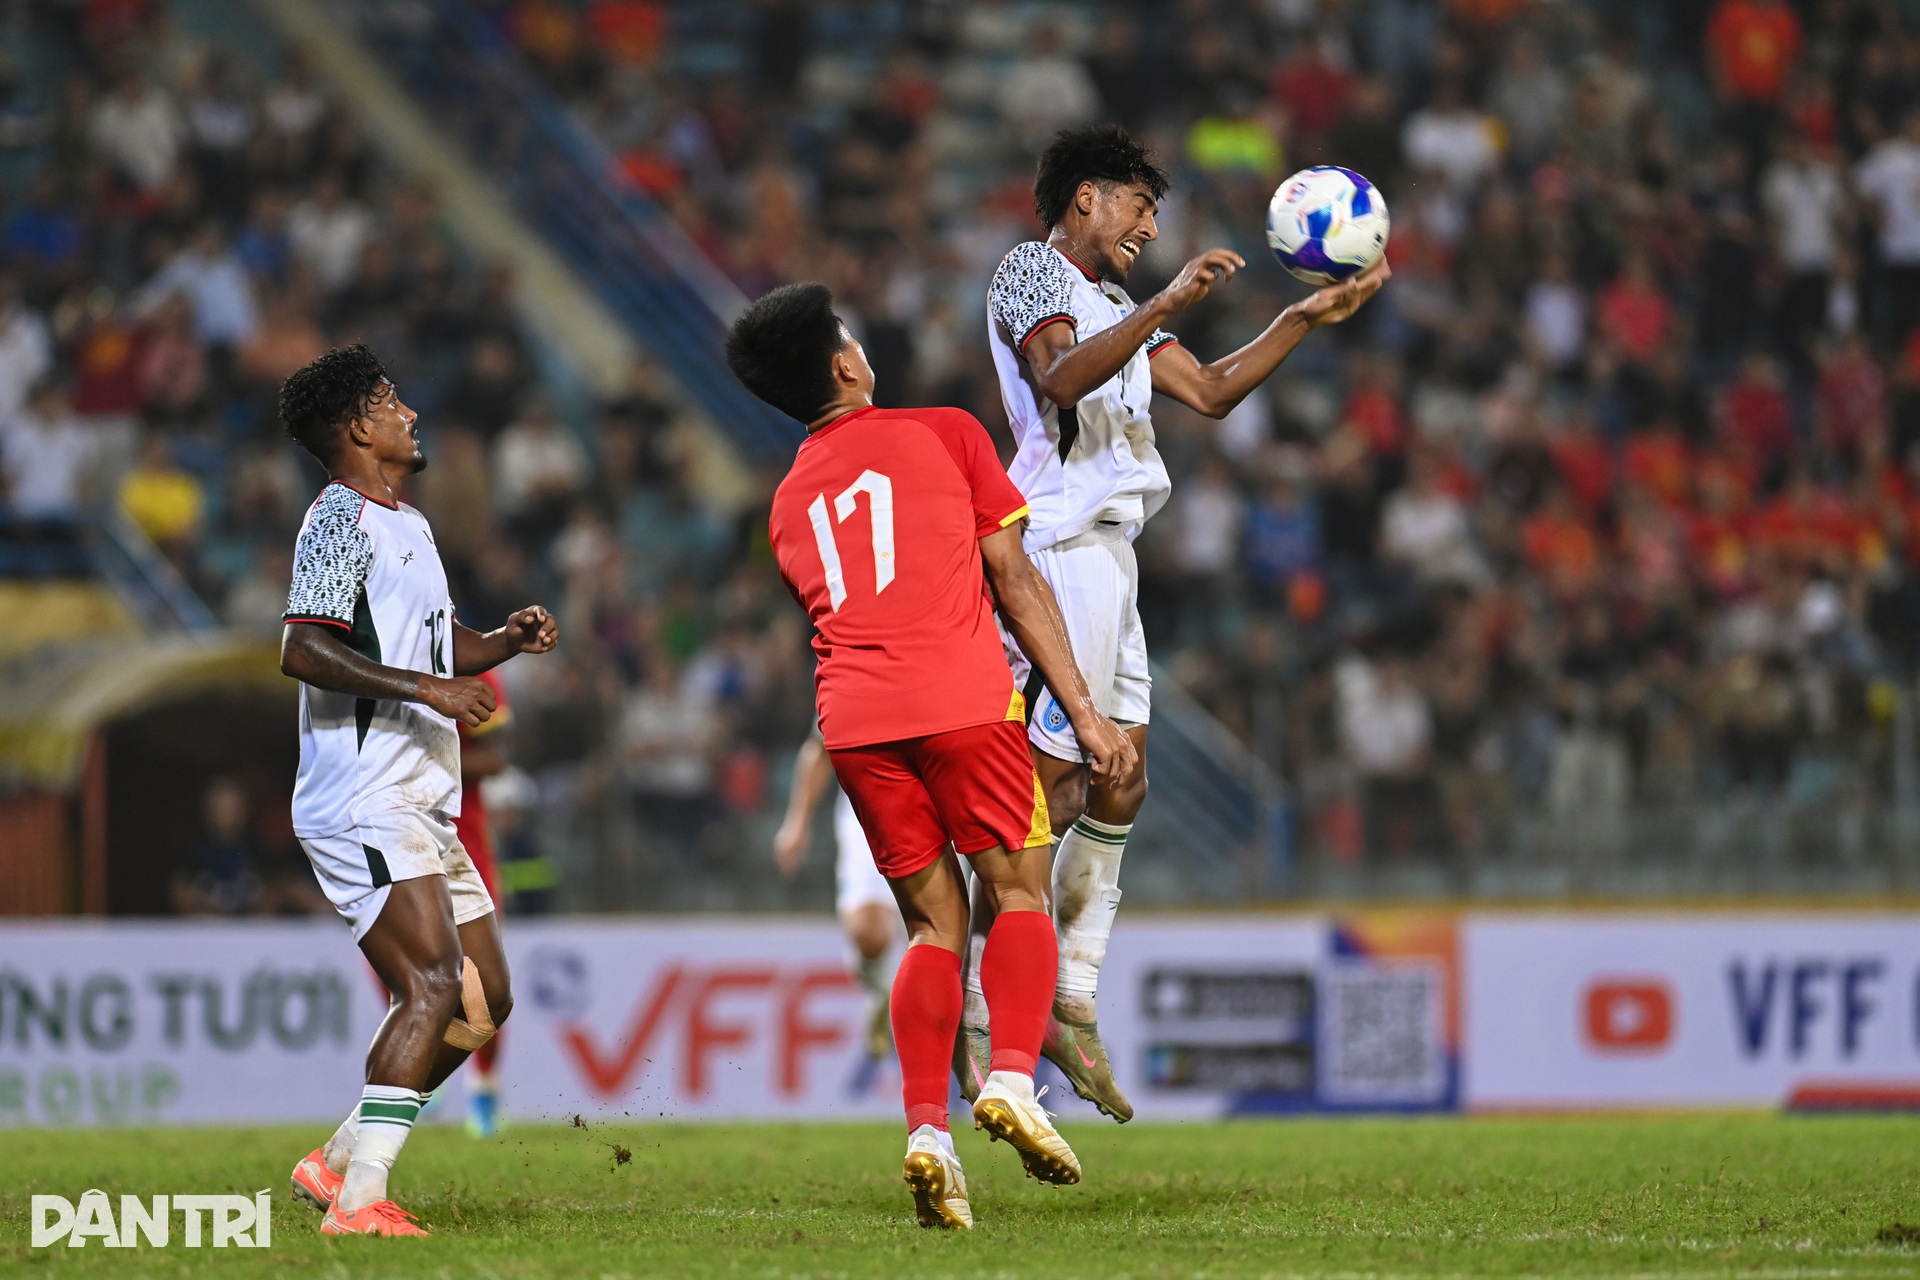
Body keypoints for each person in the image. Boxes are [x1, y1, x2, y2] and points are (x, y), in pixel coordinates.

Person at [980, 124, 1387, 1120]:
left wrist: (1303, 317)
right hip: (1055, 549)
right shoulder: (1028, 271)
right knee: (1051, 785)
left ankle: (1069, 996)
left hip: (1115, 559)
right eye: (1137, 203)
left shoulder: (1121, 306)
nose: (1150, 224)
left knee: (1124, 781)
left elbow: (1207, 390)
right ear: (1084, 197)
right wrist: (1164, 301)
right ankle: (996, 1001)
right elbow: (1059, 379)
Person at [729, 283, 1137, 1230]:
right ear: (843, 366)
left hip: (857, 727)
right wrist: (1087, 715)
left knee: (929, 929)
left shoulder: (788, 500)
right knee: (1022, 892)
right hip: (959, 700)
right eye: (853, 337)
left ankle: (927, 1134)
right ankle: (1013, 1082)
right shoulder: (947, 432)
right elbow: (1013, 576)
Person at [276, 345, 558, 1237]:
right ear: (359, 428)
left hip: (421, 797)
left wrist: (500, 641)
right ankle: (359, 1205)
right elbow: (301, 649)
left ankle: (334, 1161)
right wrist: (431, 691)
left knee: (485, 999)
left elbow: (434, 651)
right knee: (433, 983)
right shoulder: (337, 519)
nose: (413, 415)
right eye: (394, 403)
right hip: (362, 792)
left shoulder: (410, 525)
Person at [773, 729, 899, 1062]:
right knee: (869, 934)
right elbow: (820, 745)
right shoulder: (854, 676)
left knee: (949, 935)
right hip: (869, 808)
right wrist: (797, 822)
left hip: (940, 805)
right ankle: (880, 992)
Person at [454, 666, 512, 1138]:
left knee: (483, 980)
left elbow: (495, 757)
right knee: (392, 972)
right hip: (389, 836)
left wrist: (419, 761)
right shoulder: (375, 657)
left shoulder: (476, 664)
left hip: (465, 842)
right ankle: (410, 1082)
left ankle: (483, 1089)